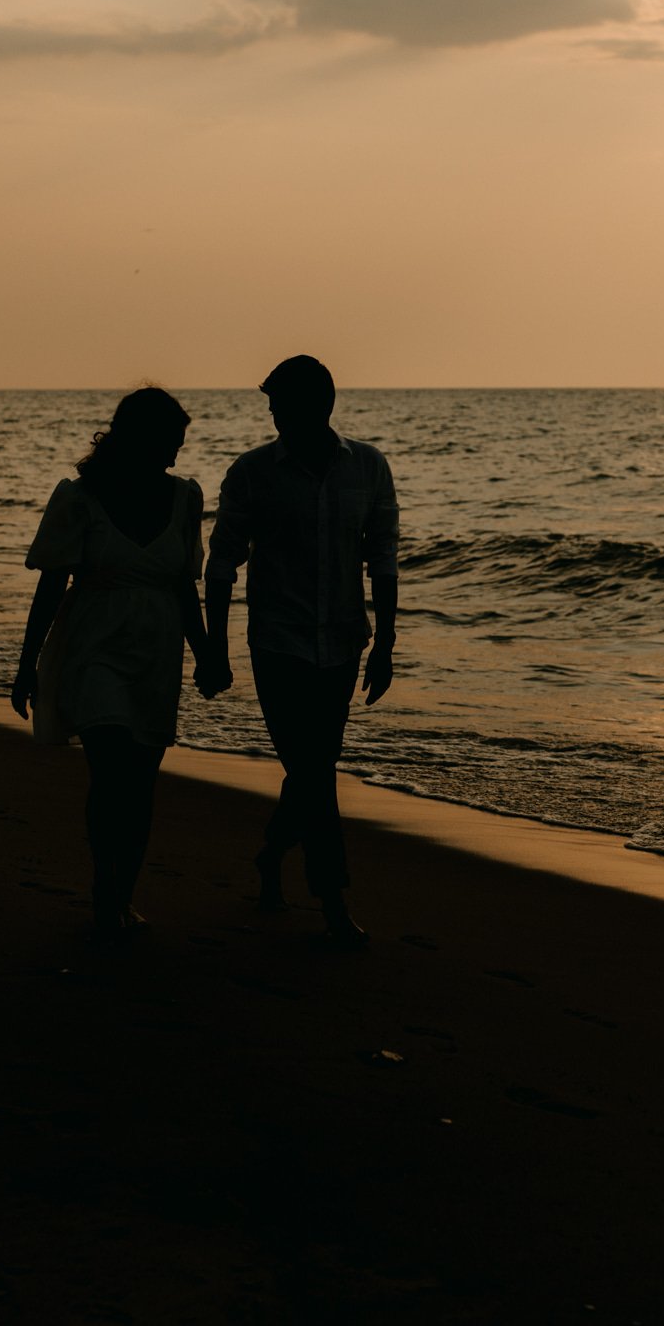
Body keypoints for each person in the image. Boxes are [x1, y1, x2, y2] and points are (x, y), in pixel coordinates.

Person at [200, 355, 398, 948]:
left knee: (312, 769)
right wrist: (215, 648)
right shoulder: (253, 472)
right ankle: (332, 898)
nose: (273, 415)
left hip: (340, 644)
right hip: (278, 644)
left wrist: (385, 644)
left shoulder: (367, 467)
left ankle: (270, 855)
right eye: (271, 405)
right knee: (314, 770)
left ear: (321, 405)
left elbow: (383, 559)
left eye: (282, 404)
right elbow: (220, 563)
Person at [12, 386, 218, 945]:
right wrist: (27, 663)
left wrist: (206, 656)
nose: (177, 453)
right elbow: (51, 583)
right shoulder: (80, 497)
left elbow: (183, 586)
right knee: (110, 773)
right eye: (171, 440)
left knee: (141, 781)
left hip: (156, 651)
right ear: (142, 438)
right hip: (93, 644)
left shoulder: (185, 498)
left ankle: (124, 893)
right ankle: (106, 892)